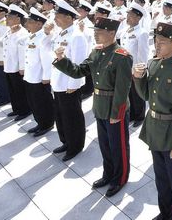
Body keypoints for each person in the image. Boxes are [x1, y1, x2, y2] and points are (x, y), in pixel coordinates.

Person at [54, 16, 133, 196]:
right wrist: (61, 59)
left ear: (112, 33)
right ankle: (108, 174)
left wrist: (117, 113)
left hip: (114, 108)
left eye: (99, 32)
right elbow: (78, 71)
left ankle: (120, 178)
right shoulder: (96, 52)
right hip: (100, 106)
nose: (96, 36)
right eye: (95, 32)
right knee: (105, 145)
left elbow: (122, 89)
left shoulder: (122, 56)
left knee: (118, 146)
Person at [133, 22, 172, 220]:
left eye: (162, 42)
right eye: (155, 41)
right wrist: (138, 78)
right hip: (155, 130)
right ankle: (166, 212)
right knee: (161, 178)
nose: (157, 45)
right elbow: (146, 96)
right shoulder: (153, 64)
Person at [49, 0, 88, 161]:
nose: (55, 19)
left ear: (69, 17)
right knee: (60, 114)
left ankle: (75, 146)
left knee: (72, 116)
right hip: (58, 81)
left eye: (58, 15)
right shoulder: (60, 33)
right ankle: (65, 141)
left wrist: (74, 84)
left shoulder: (77, 36)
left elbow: (78, 63)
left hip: (69, 84)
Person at [22, 8, 55, 137]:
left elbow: (46, 59)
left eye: (30, 21)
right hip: (30, 75)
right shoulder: (32, 36)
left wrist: (46, 77)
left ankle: (46, 123)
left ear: (39, 24)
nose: (26, 23)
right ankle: (39, 122)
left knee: (42, 102)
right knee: (33, 102)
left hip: (39, 77)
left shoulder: (43, 38)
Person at [120, 3, 150, 127]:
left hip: (135, 69)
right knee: (129, 93)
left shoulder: (142, 33)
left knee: (138, 94)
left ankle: (140, 116)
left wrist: (141, 70)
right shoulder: (125, 31)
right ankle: (132, 113)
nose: (128, 17)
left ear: (138, 18)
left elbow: (143, 53)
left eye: (131, 15)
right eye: (128, 14)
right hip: (125, 68)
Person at [2, 4, 31, 120]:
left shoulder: (22, 33)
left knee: (20, 90)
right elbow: (1, 43)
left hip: (17, 67)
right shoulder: (10, 31)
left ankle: (24, 110)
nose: (7, 19)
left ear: (18, 19)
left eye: (9, 17)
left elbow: (22, 53)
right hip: (9, 65)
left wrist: (22, 68)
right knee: (12, 90)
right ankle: (16, 109)